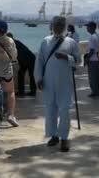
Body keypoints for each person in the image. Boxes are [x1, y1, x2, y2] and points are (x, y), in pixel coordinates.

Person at [35, 16, 81, 152]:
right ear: (52, 26)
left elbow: (78, 60)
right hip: (49, 82)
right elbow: (40, 61)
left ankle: (64, 138)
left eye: (61, 25)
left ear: (65, 27)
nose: (58, 27)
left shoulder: (71, 43)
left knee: (65, 110)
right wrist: (38, 78)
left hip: (65, 83)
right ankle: (53, 135)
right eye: (56, 25)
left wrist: (67, 57)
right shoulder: (45, 41)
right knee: (50, 110)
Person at [7, 32, 37, 96]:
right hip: (24, 61)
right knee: (21, 74)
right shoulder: (14, 43)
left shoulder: (13, 43)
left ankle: (32, 92)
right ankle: (21, 92)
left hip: (30, 59)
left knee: (31, 75)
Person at [85, 21, 99, 97]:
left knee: (92, 77)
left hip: (93, 59)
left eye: (88, 26)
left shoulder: (92, 37)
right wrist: (98, 48)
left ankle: (94, 92)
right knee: (96, 76)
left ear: (92, 27)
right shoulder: (97, 35)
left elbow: (91, 51)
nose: (86, 28)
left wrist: (87, 59)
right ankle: (97, 91)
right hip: (96, 58)